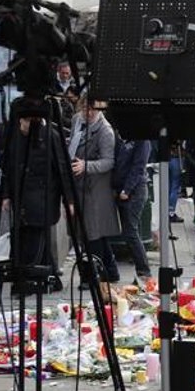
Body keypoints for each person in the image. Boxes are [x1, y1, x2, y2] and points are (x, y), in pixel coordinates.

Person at [0, 107, 69, 295]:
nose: (26, 127)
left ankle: (28, 280)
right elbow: (6, 168)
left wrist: (69, 200)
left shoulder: (50, 136)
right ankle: (50, 277)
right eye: (24, 122)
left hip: (43, 197)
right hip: (21, 196)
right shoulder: (8, 133)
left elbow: (62, 169)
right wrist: (6, 194)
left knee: (35, 237)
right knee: (25, 236)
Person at [69, 96, 121, 293]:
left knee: (92, 233)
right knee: (91, 233)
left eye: (92, 109)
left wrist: (86, 165)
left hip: (95, 189)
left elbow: (109, 161)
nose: (88, 113)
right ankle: (112, 271)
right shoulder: (76, 120)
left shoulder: (105, 130)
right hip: (79, 184)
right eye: (84, 108)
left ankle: (91, 277)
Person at [111, 130, 152, 281]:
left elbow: (138, 166)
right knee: (129, 232)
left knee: (130, 232)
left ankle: (144, 271)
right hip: (121, 188)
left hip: (134, 190)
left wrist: (127, 189)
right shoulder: (120, 135)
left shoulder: (142, 140)